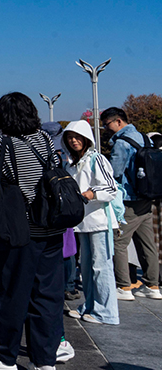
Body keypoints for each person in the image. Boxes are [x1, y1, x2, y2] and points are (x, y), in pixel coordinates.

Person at [0, 93, 64, 370]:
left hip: (21, 230)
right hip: (52, 229)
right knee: (47, 296)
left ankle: (4, 357)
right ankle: (45, 360)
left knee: (9, 294)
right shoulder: (44, 139)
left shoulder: (4, 144)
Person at [61, 120, 120, 324]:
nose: (74, 141)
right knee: (86, 268)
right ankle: (90, 306)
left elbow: (111, 189)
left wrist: (91, 193)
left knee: (100, 267)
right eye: (70, 138)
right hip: (82, 222)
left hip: (99, 221)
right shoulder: (71, 162)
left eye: (77, 137)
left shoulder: (97, 159)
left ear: (87, 139)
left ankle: (106, 312)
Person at [100, 107, 161, 300]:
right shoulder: (145, 138)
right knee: (147, 243)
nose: (106, 128)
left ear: (118, 121)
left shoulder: (121, 143)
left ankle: (124, 287)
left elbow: (115, 173)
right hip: (147, 196)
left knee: (118, 242)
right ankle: (153, 285)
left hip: (129, 200)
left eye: (107, 124)